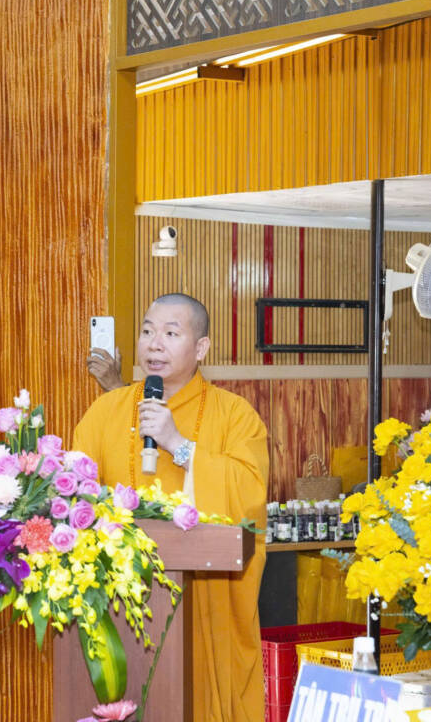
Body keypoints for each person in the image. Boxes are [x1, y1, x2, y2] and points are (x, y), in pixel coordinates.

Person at [72, 293, 269, 722]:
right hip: (119, 606)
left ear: (201, 348)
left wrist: (179, 445)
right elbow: (73, 494)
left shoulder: (235, 415)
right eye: (147, 331)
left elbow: (249, 497)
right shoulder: (105, 411)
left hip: (205, 605)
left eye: (170, 333)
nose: (154, 343)